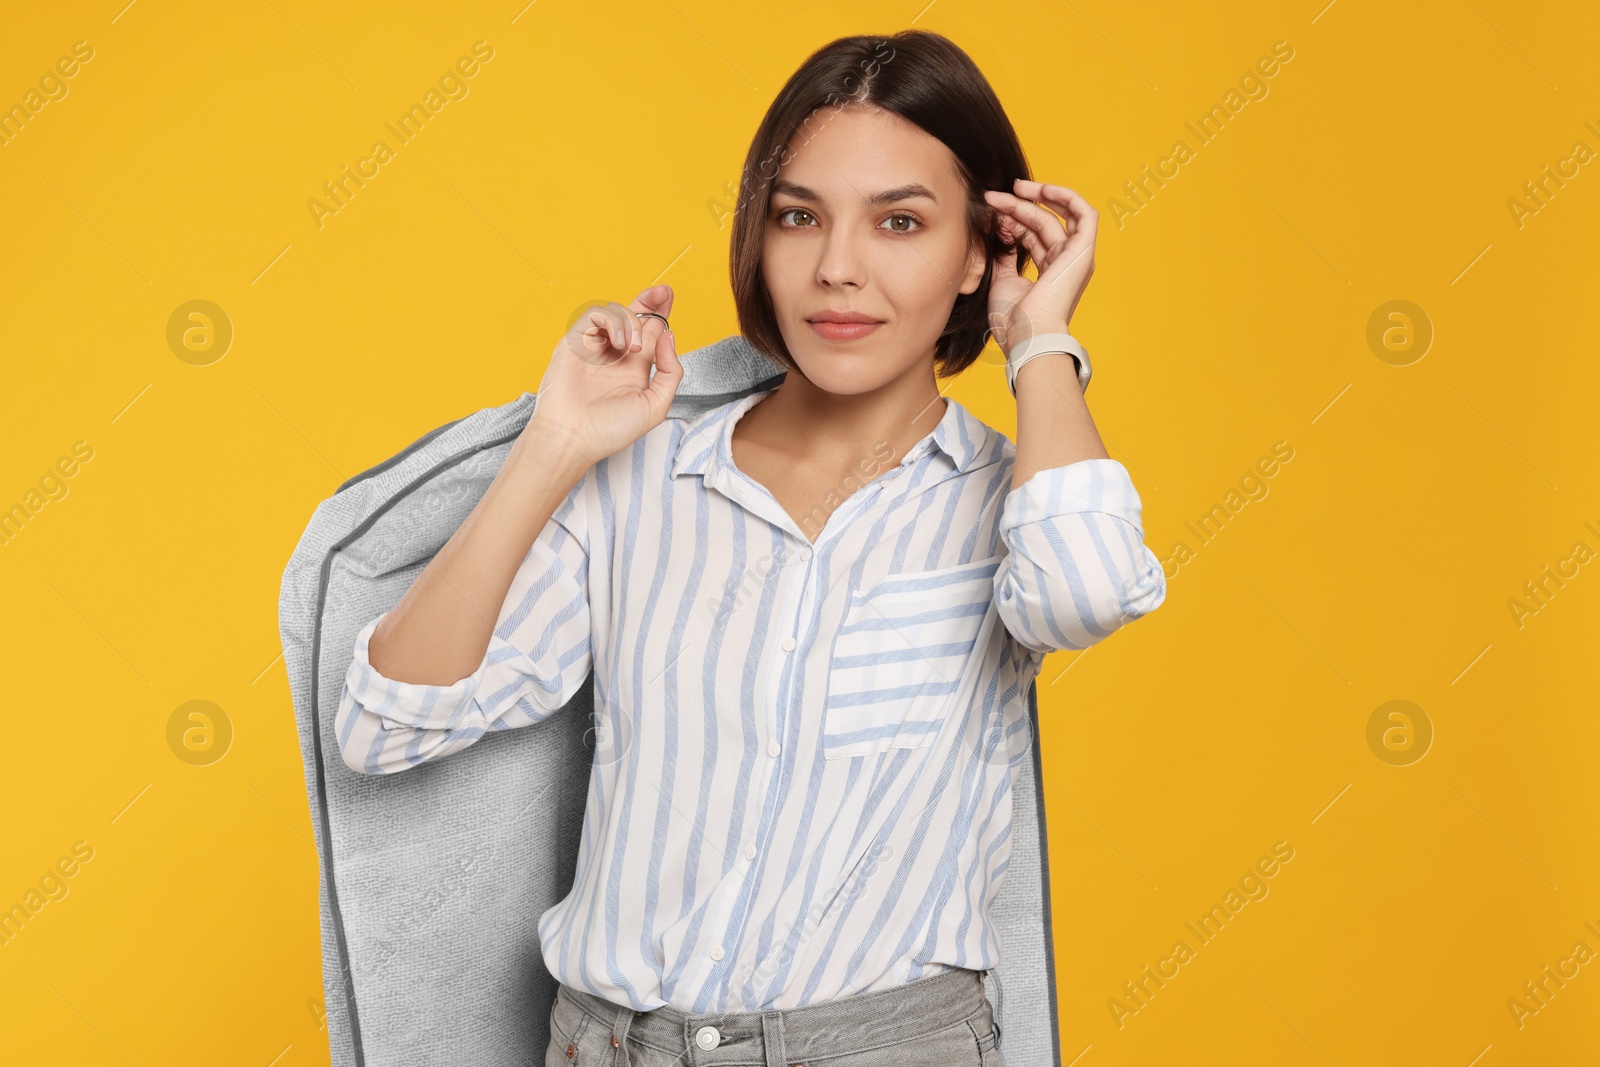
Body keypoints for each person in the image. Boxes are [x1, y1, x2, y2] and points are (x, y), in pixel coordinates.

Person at [336, 28, 1165, 1067]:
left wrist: (1038, 338)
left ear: (978, 253)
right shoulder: (640, 481)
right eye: (797, 216)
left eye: (899, 222)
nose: (835, 268)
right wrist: (555, 443)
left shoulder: (1012, 499)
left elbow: (1085, 592)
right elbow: (386, 725)